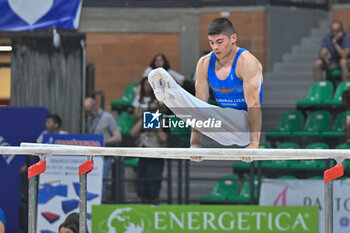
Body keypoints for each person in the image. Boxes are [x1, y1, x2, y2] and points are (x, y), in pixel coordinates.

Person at [148, 18, 263, 162]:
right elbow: (198, 106)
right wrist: (195, 144)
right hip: (220, 128)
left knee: (225, 113)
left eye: (219, 42)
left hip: (245, 126)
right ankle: (168, 95)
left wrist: (253, 144)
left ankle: (173, 91)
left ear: (233, 38)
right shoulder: (204, 63)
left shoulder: (247, 62)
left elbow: (254, 105)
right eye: (211, 42)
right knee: (199, 109)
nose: (215, 47)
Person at [131, 77, 168, 204]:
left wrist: (157, 126)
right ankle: (143, 202)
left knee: (153, 183)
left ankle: (154, 203)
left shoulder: (162, 120)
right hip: (143, 152)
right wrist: (145, 117)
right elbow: (133, 133)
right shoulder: (143, 119)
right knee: (142, 182)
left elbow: (164, 138)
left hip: (156, 154)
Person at [83, 97, 122, 202]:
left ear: (95, 106)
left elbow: (118, 137)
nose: (89, 113)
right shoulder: (89, 119)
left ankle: (102, 202)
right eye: (87, 112)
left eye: (90, 110)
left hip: (105, 156)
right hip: (93, 156)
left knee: (102, 181)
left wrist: (104, 141)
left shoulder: (107, 117)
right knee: (91, 181)